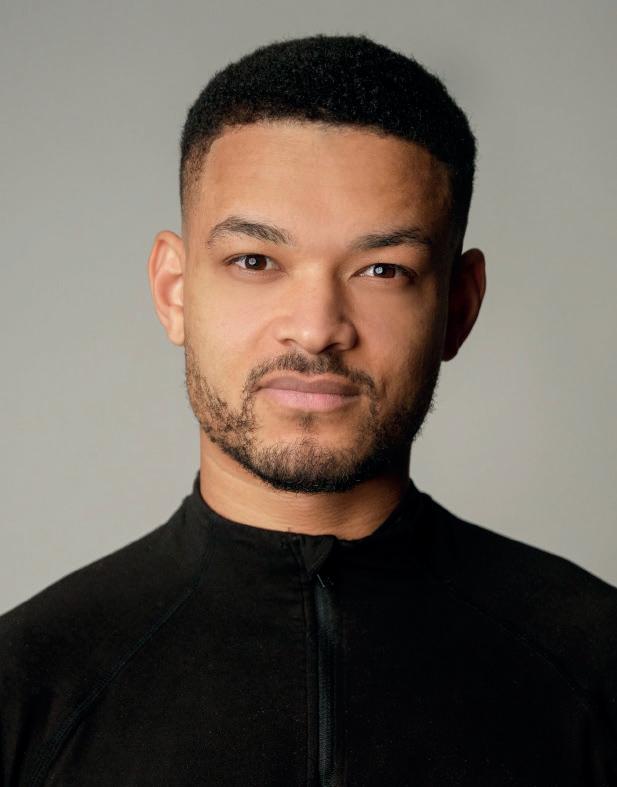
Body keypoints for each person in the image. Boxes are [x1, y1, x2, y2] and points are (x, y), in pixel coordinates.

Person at [1, 33, 616, 787]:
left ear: (458, 307)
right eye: (254, 261)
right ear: (174, 292)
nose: (317, 327)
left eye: (382, 269)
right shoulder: (27, 688)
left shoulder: (595, 663)